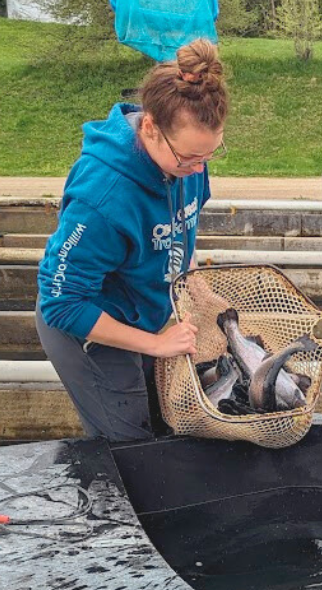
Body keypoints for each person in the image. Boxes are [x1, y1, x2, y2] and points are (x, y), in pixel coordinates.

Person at [35, 38, 228, 441]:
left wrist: (194, 282)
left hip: (147, 312)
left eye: (209, 156)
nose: (197, 170)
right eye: (189, 159)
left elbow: (178, 227)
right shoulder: (103, 196)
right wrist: (154, 346)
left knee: (169, 424)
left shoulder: (187, 163)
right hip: (87, 322)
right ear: (150, 127)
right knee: (131, 442)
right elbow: (61, 303)